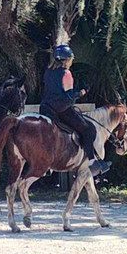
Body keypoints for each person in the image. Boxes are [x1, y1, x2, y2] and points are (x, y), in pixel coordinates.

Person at [40, 44, 110, 175]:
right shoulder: (66, 73)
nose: (72, 61)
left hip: (46, 108)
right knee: (88, 129)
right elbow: (69, 96)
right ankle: (92, 162)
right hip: (61, 109)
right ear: (66, 60)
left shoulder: (48, 72)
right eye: (71, 59)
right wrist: (82, 92)